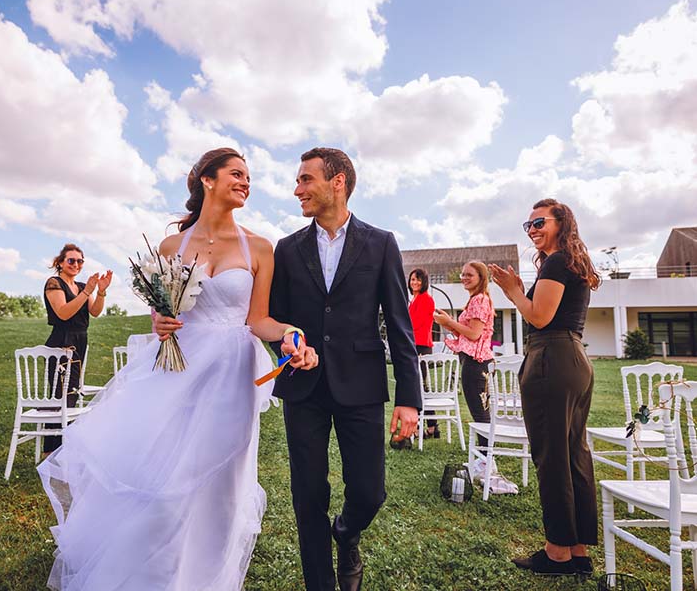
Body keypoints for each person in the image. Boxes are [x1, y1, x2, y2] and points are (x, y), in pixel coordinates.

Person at [38, 148, 318, 591]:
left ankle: (207, 579)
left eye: (249, 176)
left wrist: (289, 330)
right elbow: (161, 314)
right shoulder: (171, 247)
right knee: (163, 478)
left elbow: (257, 319)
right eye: (237, 174)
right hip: (174, 369)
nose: (246, 182)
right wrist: (160, 321)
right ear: (207, 180)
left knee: (219, 483)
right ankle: (150, 575)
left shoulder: (259, 247)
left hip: (231, 375)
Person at [268, 147, 422, 591]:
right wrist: (288, 342)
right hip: (303, 386)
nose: (297, 189)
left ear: (338, 182)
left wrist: (410, 399)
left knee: (370, 491)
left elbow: (399, 324)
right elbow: (275, 318)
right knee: (308, 495)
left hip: (362, 384)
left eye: (305, 179)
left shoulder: (381, 243)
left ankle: (347, 531)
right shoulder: (287, 249)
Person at [489, 198, 600, 577]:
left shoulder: (556, 261)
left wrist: (513, 292)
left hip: (552, 357)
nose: (533, 229)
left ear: (561, 223)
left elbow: (539, 315)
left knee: (552, 457)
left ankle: (557, 554)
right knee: (573, 454)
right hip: (573, 358)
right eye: (529, 225)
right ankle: (578, 550)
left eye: (539, 222)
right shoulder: (571, 261)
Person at [41, 243, 112, 456]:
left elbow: (95, 312)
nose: (76, 264)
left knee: (71, 394)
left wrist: (100, 292)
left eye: (80, 261)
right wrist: (87, 291)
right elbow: (63, 313)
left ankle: (64, 447)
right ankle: (51, 451)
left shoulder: (81, 286)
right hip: (61, 341)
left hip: (81, 341)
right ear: (60, 263)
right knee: (60, 396)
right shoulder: (54, 283)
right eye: (71, 260)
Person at [433, 261, 494, 450]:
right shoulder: (476, 299)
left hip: (476, 362)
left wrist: (450, 321)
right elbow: (467, 334)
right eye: (463, 275)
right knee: (480, 412)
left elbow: (474, 334)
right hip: (474, 360)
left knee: (480, 413)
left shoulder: (479, 300)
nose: (464, 278)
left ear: (481, 278)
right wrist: (448, 324)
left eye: (469, 275)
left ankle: (486, 460)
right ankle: (485, 457)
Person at [395, 267, 436, 447]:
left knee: (421, 386)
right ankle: (430, 426)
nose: (415, 283)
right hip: (414, 344)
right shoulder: (414, 300)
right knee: (421, 386)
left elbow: (414, 324)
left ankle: (426, 427)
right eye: (412, 280)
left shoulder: (426, 300)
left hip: (421, 346)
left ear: (424, 281)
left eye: (418, 280)